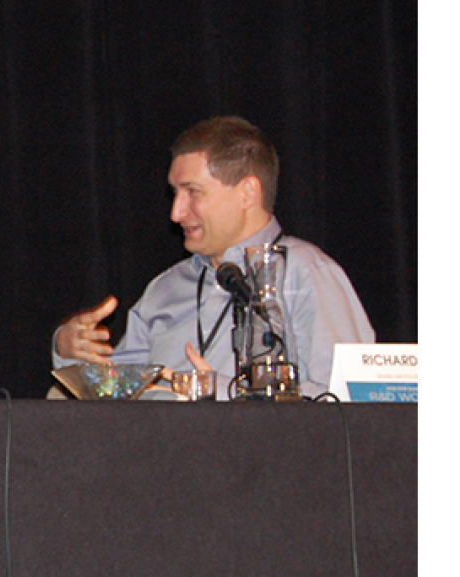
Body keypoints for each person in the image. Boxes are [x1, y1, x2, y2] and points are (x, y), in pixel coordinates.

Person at [52, 116, 374, 400]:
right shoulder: (165, 289)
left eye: (193, 192)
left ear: (248, 193)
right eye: (175, 193)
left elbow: (347, 401)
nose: (176, 213)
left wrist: (224, 390)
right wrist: (69, 352)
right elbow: (115, 394)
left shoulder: (306, 273)